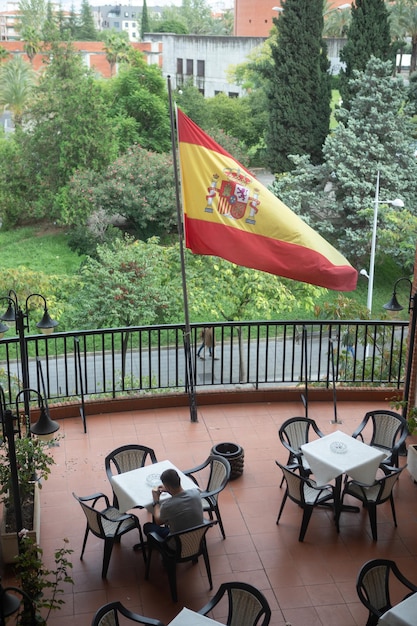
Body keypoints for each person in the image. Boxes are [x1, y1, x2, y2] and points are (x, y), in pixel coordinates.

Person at [143, 468, 203, 538]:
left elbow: (158, 521)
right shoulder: (196, 492)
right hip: (196, 536)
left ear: (167, 486)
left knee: (148, 527)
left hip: (177, 544)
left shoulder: (168, 506)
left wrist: (156, 501)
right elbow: (180, 497)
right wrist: (169, 490)